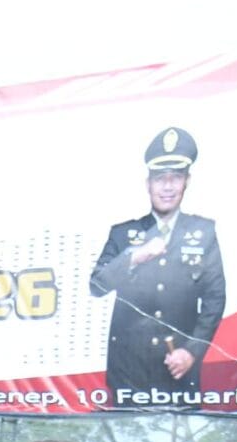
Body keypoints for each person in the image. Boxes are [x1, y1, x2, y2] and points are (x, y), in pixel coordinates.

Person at [88, 126, 224, 409]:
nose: (167, 186)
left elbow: (215, 299)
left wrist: (191, 351)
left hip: (177, 368)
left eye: (175, 178)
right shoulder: (123, 234)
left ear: (187, 181)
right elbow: (97, 285)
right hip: (128, 368)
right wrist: (133, 257)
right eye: (160, 178)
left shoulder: (203, 231)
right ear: (148, 184)